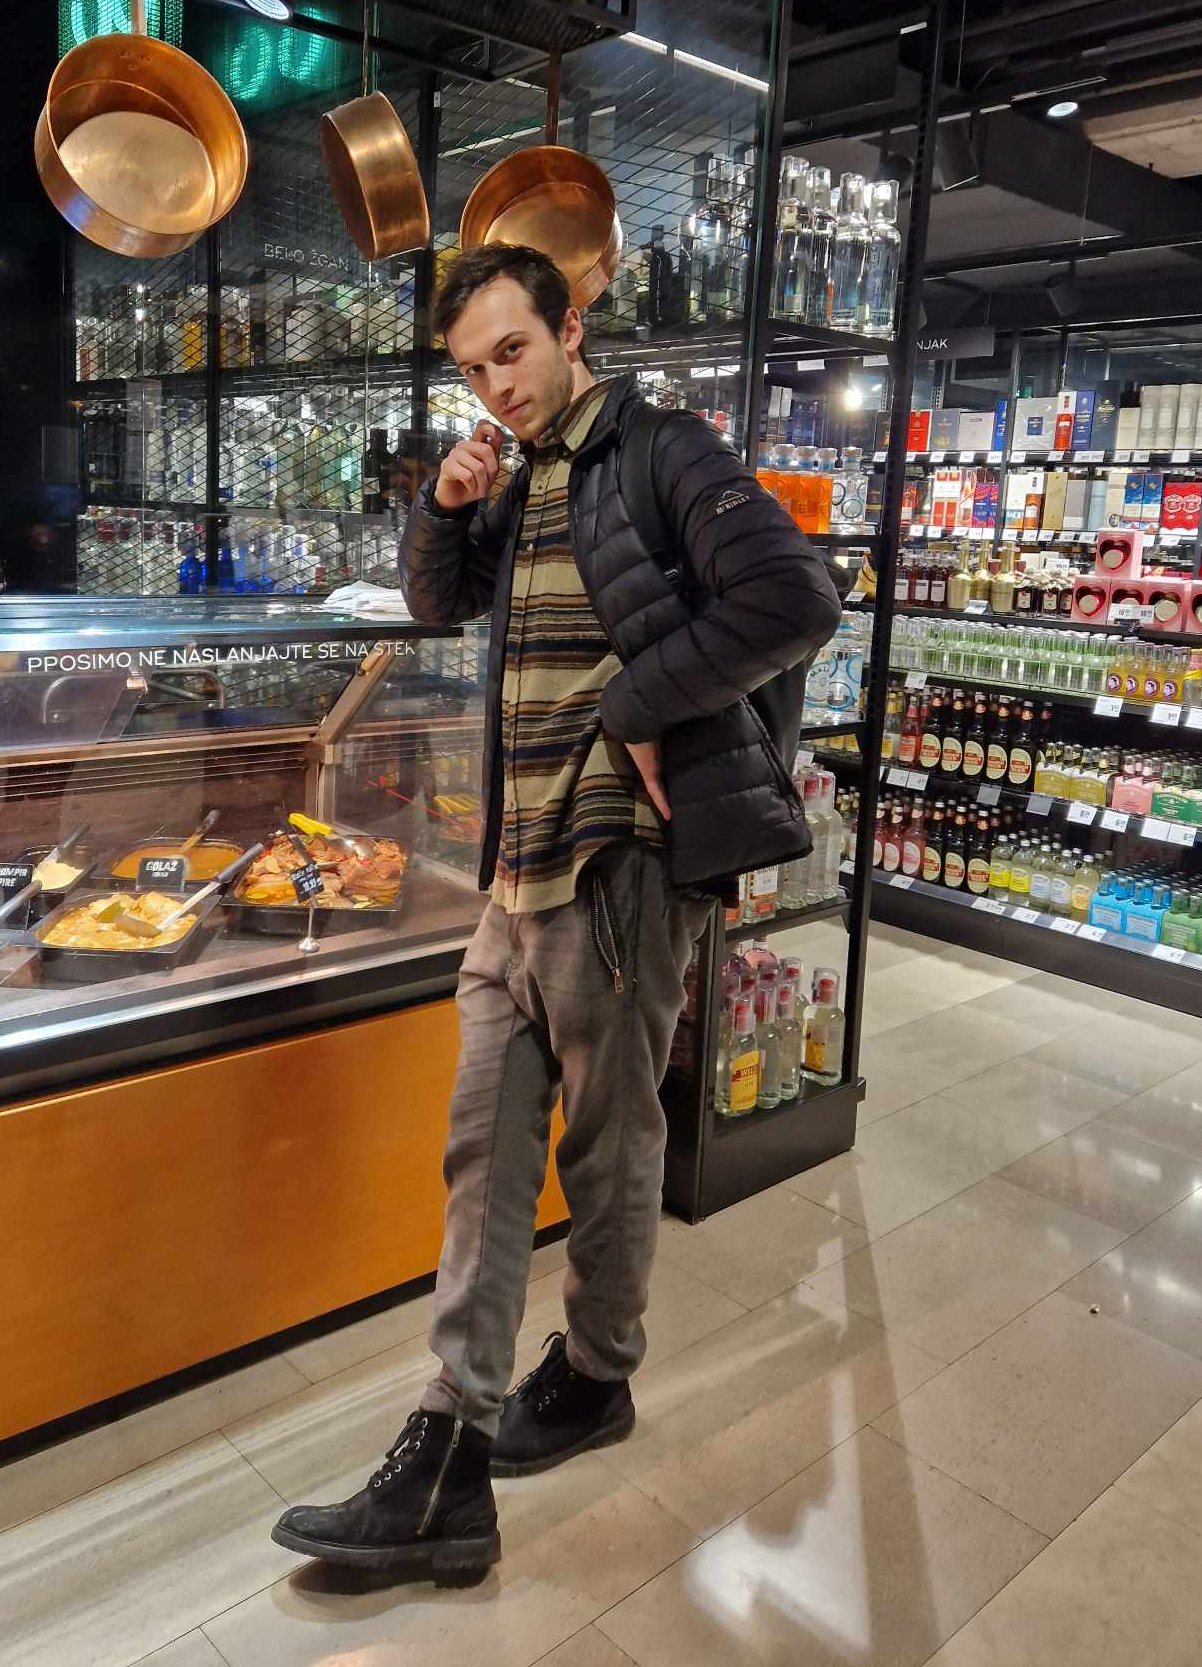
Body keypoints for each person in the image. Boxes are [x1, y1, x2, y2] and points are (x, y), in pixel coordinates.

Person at [271, 243, 841, 1577]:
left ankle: (594, 1372)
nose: (498, 386)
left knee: (607, 1142)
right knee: (482, 1153)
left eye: (512, 353)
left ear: (571, 325)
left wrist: (638, 701)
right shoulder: (518, 475)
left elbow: (795, 596)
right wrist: (443, 502)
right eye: (474, 371)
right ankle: (448, 1454)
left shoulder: (663, 451)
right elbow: (435, 604)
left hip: (616, 862)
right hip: (512, 866)